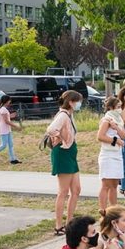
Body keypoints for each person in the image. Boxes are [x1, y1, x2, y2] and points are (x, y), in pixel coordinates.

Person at [47, 90, 83, 236]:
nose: (79, 104)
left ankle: (69, 222)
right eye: (78, 101)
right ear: (71, 102)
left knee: (76, 189)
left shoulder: (68, 115)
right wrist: (59, 137)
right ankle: (59, 225)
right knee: (63, 191)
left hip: (70, 151)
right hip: (63, 152)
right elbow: (51, 129)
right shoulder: (62, 115)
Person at [96, 96, 125, 214]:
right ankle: (103, 209)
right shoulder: (106, 119)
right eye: (118, 107)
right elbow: (100, 136)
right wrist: (115, 140)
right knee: (106, 184)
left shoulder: (118, 120)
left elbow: (124, 136)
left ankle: (113, 209)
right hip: (107, 155)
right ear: (111, 107)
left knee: (114, 184)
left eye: (120, 107)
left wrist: (116, 127)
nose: (120, 109)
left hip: (117, 155)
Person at [0, 95, 22, 164]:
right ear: (7, 101)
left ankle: (13, 159)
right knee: (3, 145)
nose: (10, 102)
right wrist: (16, 126)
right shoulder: (3, 109)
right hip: (3, 129)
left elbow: (6, 118)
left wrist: (12, 115)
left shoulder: (3, 109)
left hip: (7, 129)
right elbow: (6, 121)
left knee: (10, 145)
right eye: (9, 100)